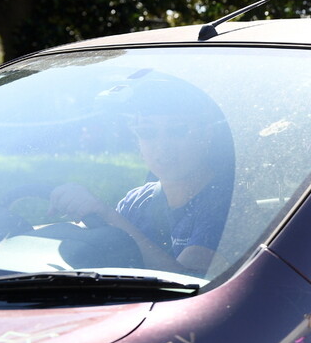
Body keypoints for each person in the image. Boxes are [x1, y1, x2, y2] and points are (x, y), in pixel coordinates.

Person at [48, 76, 234, 275]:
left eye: (177, 131)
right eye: (147, 133)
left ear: (205, 135)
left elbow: (187, 282)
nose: (162, 147)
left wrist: (107, 214)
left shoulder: (227, 206)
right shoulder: (136, 202)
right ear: (138, 142)